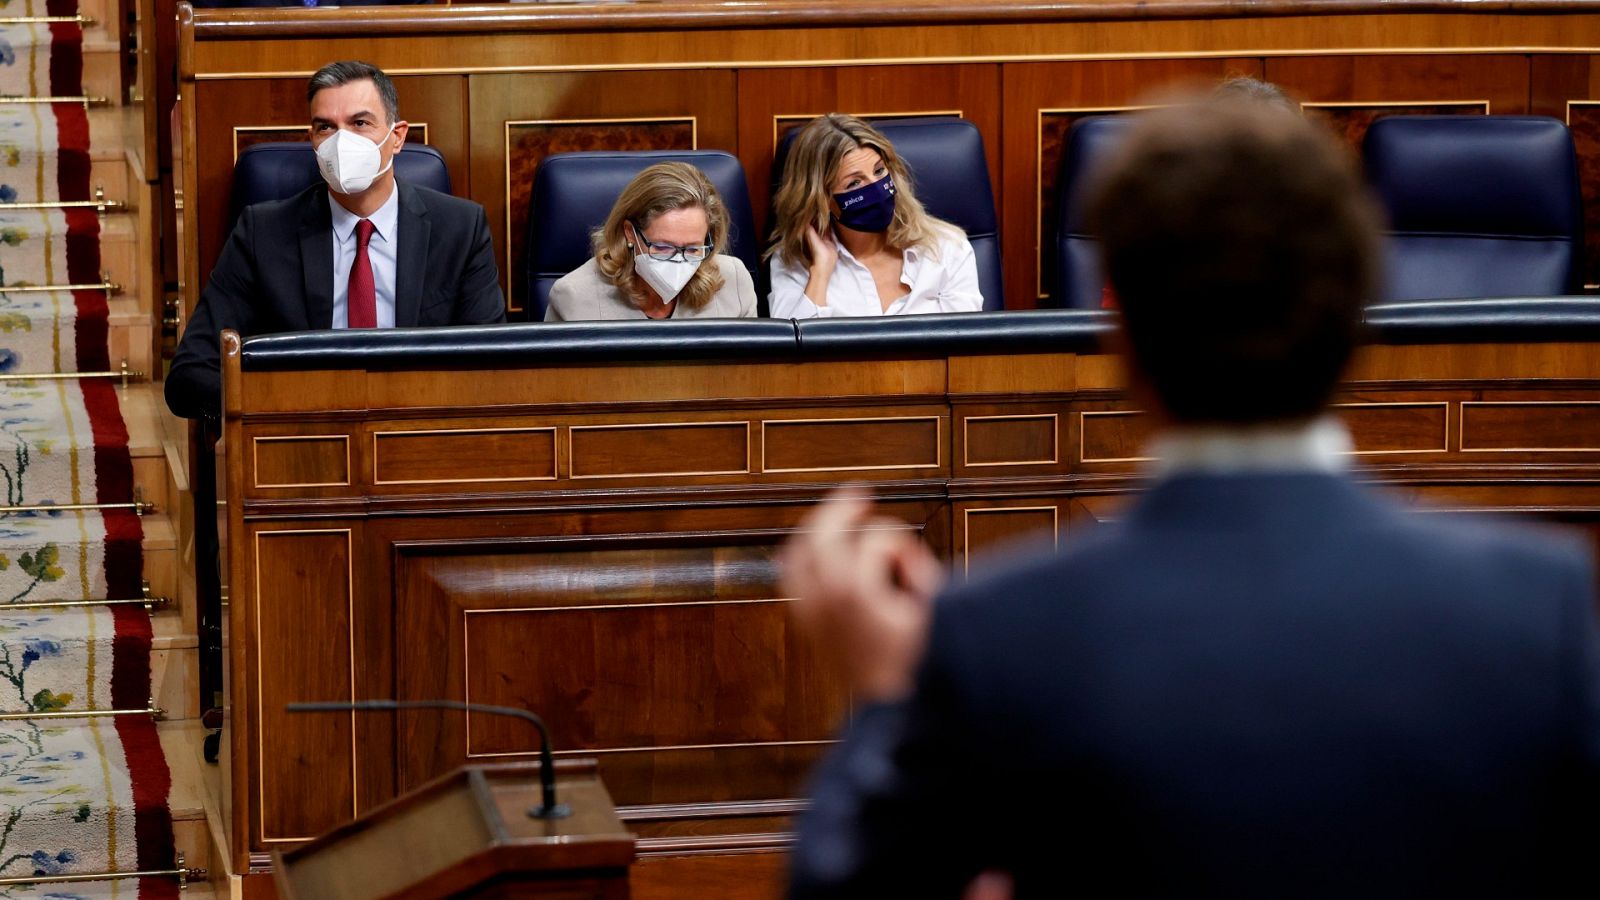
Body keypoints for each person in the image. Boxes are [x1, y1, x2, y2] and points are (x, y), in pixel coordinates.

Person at [781, 96, 1600, 897]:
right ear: (1357, 315)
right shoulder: (1540, 606)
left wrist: (889, 696)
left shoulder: (998, 632)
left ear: (1122, 339)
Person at [166, 60, 505, 420]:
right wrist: (288, 412)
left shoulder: (460, 229)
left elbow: (492, 366)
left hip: (420, 438)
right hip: (303, 441)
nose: (341, 142)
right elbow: (190, 375)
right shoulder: (262, 233)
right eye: (325, 127)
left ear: (397, 137)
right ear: (312, 139)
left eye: (360, 123)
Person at [766, 114, 983, 318]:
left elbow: (966, 347)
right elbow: (793, 352)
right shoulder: (794, 264)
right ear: (821, 200)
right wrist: (821, 271)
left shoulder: (945, 247)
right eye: (854, 183)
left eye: (879, 171)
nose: (877, 189)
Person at [544, 162, 757, 321]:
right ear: (630, 233)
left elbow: (754, 376)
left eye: (692, 249)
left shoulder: (734, 282)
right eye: (663, 247)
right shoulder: (573, 297)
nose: (678, 262)